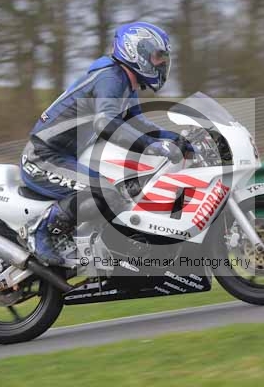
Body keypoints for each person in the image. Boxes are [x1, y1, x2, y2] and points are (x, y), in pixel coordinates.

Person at [20, 21, 183, 266]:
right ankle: (39, 231)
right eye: (157, 56)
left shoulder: (125, 83)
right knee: (105, 193)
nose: (161, 63)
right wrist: (150, 146)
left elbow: (137, 122)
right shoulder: (110, 78)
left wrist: (175, 139)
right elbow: (105, 123)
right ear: (135, 51)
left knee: (121, 189)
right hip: (42, 158)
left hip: (64, 157)